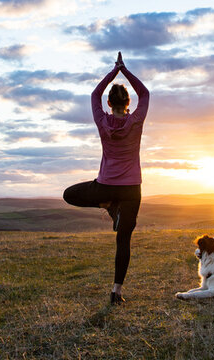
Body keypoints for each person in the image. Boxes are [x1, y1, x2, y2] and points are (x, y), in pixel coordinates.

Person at [62, 51, 149, 305]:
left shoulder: (102, 121)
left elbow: (93, 94)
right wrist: (125, 70)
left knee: (69, 194)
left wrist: (114, 71)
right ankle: (116, 292)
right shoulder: (136, 120)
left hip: (105, 186)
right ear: (128, 103)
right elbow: (145, 94)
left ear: (109, 104)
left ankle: (109, 205)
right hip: (132, 188)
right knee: (124, 240)